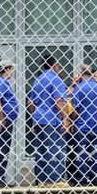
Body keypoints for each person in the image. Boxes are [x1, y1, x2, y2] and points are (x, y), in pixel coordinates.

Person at [29, 56, 72, 186]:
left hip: (39, 118)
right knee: (55, 148)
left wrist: (34, 116)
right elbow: (59, 101)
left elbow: (31, 102)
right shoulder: (56, 79)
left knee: (41, 149)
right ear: (54, 65)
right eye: (58, 66)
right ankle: (55, 179)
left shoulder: (38, 80)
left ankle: (41, 179)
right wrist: (65, 119)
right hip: (52, 119)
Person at [68, 66, 97, 185]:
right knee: (94, 152)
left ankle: (82, 178)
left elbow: (75, 109)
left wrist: (72, 122)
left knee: (81, 153)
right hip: (94, 125)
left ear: (82, 74)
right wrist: (96, 120)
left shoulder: (79, 88)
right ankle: (95, 177)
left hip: (81, 125)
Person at [0, 62, 20, 187]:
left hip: (6, 119)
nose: (12, 72)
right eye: (11, 69)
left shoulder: (2, 82)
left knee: (3, 149)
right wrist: (1, 118)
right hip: (3, 120)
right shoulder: (0, 82)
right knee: (1, 148)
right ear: (8, 69)